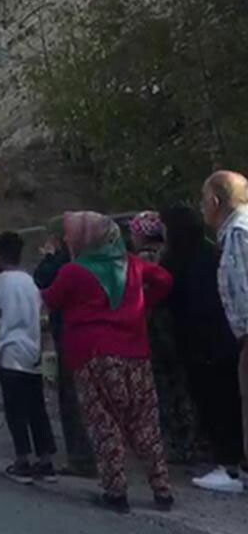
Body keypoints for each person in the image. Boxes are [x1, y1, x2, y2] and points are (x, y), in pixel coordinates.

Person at [42, 211, 174, 513]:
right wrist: (144, 305)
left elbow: (50, 299)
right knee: (145, 422)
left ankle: (116, 492)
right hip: (136, 353)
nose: (67, 239)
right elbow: (165, 279)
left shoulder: (74, 272)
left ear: (85, 239)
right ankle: (162, 490)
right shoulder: (133, 265)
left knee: (105, 423)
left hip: (93, 356)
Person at [160, 205, 245, 493]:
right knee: (227, 401)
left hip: (200, 343)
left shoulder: (178, 259)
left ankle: (228, 464)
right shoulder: (209, 252)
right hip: (222, 339)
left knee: (215, 403)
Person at [0, 232, 58, 484]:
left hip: (9, 350)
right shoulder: (29, 281)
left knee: (15, 408)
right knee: (36, 406)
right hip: (32, 349)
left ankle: (22, 458)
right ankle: (46, 458)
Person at [33, 218, 96, 477]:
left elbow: (44, 282)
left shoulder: (68, 265)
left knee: (72, 396)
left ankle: (81, 457)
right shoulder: (107, 260)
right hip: (100, 336)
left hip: (72, 334)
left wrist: (50, 255)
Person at [134, 210, 198, 463]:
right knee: (181, 384)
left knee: (159, 385)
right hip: (177, 325)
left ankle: (166, 443)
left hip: (154, 326)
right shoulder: (175, 253)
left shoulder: (141, 261)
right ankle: (188, 441)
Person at [201, 171, 248, 484]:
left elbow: (242, 288)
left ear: (216, 201)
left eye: (203, 201)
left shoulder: (237, 235)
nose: (202, 208)